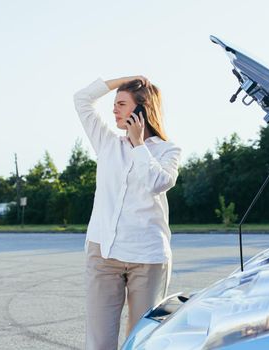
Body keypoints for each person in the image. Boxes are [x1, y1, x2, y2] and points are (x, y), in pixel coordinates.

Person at [73, 75, 181, 350]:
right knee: (99, 343)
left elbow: (158, 183)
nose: (114, 110)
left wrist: (139, 146)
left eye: (121, 103)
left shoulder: (169, 151)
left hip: (147, 257)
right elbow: (82, 99)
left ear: (141, 109)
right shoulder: (107, 143)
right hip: (103, 254)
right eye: (114, 104)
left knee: (142, 341)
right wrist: (125, 78)